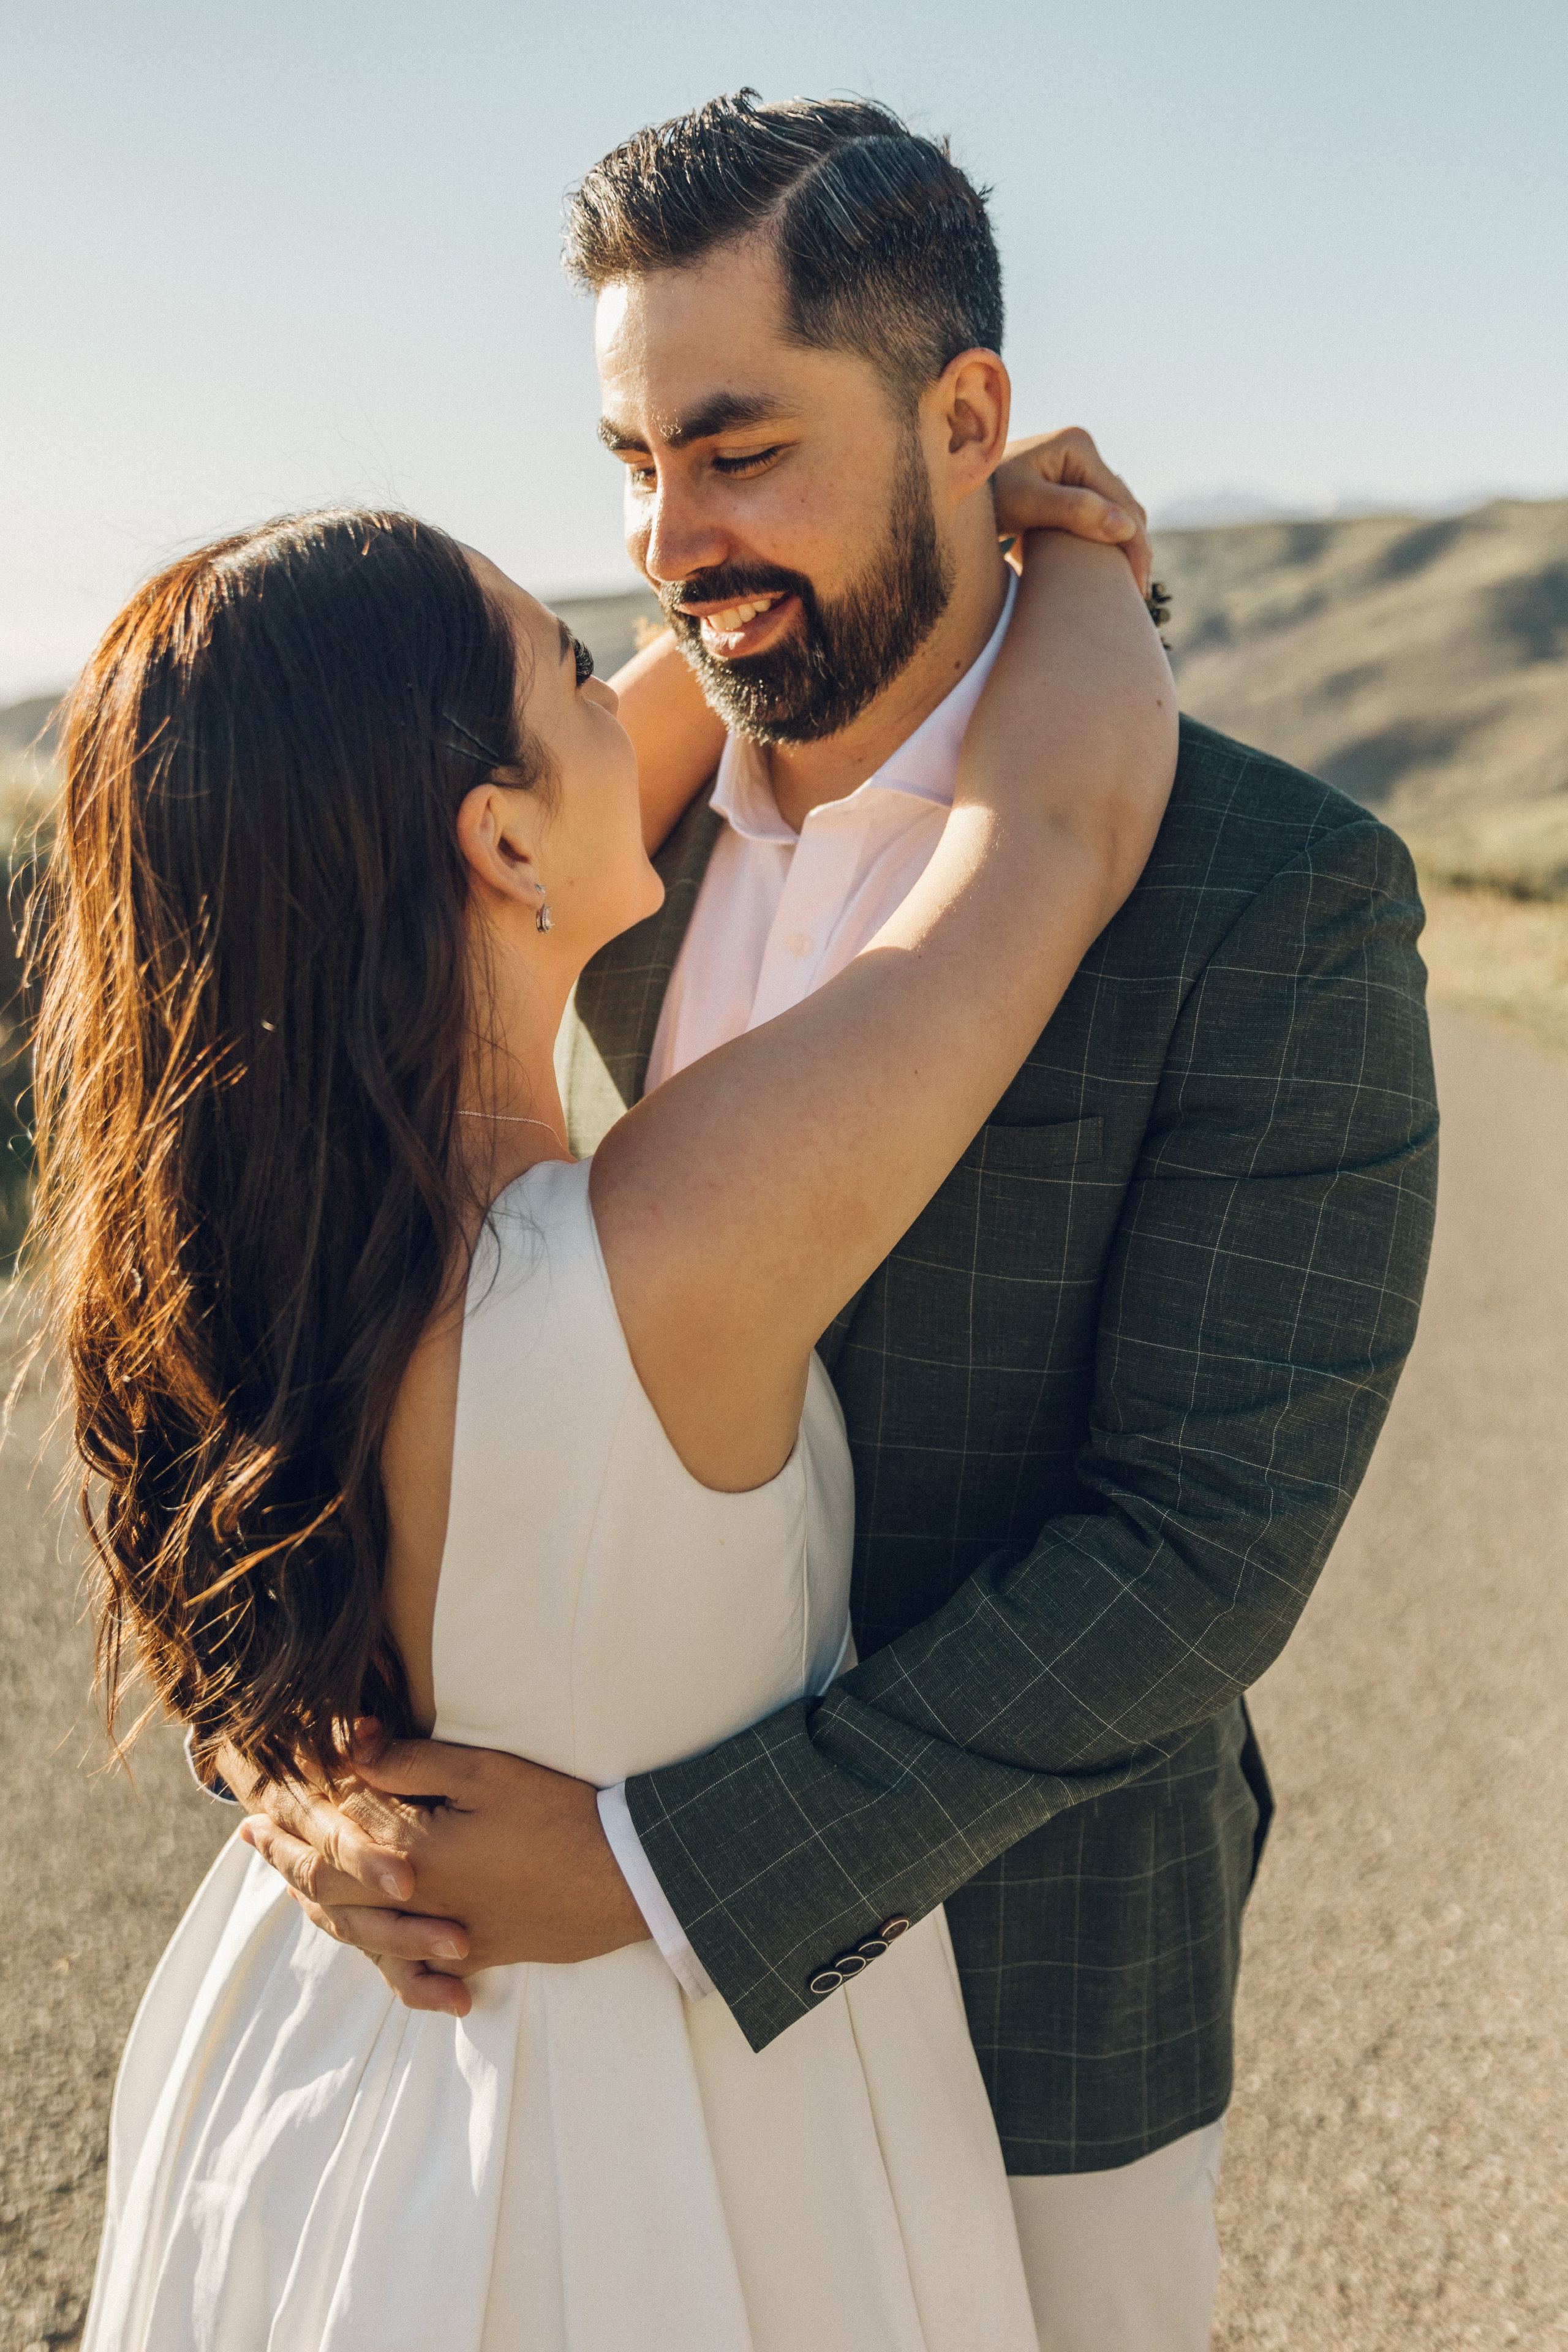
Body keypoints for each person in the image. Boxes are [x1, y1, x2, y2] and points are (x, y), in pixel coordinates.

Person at [236, 94, 1441, 2352]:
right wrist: (286, 1739)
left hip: (1030, 1999)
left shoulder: (1272, 907)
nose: (668, 538)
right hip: (532, 2025)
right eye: (627, 462)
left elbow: (1195, 1552)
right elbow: (292, 1284)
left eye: (737, 448)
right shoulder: (590, 841)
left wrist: (667, 1875)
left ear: (962, 417)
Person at [48, 434, 1173, 2339]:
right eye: (575, 661)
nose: (636, 678)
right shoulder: (661, 1252)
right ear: (496, 841)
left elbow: (522, 791)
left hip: (312, 2089)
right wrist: (1053, 543)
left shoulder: (216, 1273)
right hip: (673, 2140)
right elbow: (1052, 835)